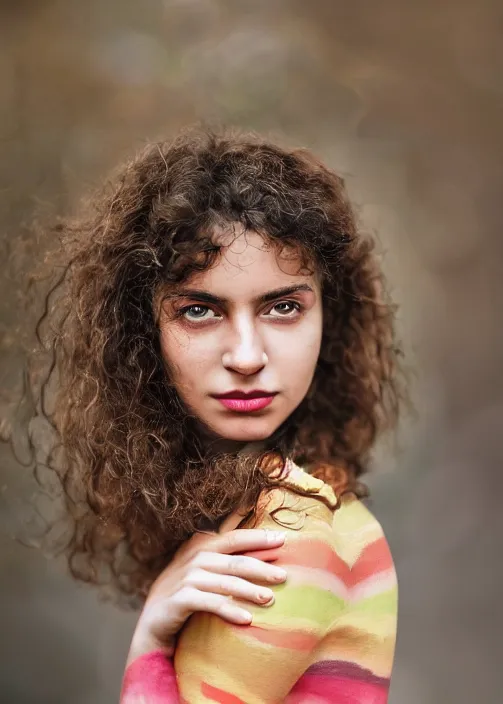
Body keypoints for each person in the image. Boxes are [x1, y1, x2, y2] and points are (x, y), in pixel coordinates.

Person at [29, 127, 403, 702]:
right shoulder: (283, 507)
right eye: (200, 311)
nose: (248, 357)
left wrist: (149, 642)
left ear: (331, 317)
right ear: (141, 333)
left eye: (283, 307)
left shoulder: (288, 535)